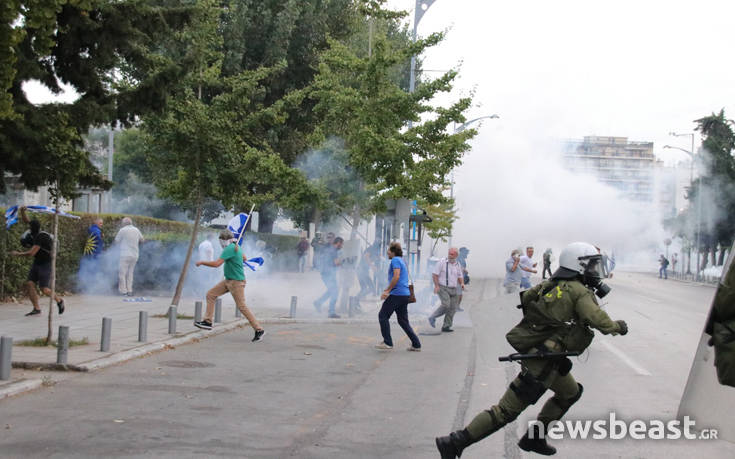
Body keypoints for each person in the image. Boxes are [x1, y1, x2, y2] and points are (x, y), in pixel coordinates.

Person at [435, 242, 628, 458]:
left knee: (570, 392)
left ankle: (535, 438)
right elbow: (598, 320)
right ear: (578, 266)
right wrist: (618, 327)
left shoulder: (552, 284)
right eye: (591, 266)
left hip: (549, 356)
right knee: (506, 411)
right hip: (543, 362)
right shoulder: (578, 291)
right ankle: (455, 442)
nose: (594, 271)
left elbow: (526, 301)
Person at [194, 230, 265, 342]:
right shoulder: (235, 247)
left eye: (221, 240)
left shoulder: (229, 248)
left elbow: (217, 264)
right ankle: (207, 322)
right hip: (229, 280)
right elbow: (245, 258)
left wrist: (202, 262)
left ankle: (259, 329)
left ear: (223, 240)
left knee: (242, 306)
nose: (220, 243)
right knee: (211, 295)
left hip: (236, 282)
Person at [10, 207, 64, 316]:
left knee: (44, 289)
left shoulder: (41, 237)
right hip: (37, 263)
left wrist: (17, 254)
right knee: (30, 283)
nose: (28, 229)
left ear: (33, 228)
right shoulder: (34, 232)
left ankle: (59, 301)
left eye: (30, 227)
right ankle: (36, 308)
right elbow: (27, 221)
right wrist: (22, 211)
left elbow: (31, 253)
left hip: (46, 264)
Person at [375, 242, 422, 351]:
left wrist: (387, 290)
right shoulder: (402, 260)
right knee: (403, 321)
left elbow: (396, 276)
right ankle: (416, 344)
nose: (387, 252)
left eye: (388, 250)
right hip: (404, 294)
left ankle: (387, 342)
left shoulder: (395, 260)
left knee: (383, 315)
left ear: (393, 251)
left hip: (397, 294)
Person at [427, 247, 465, 332]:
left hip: (453, 288)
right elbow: (435, 274)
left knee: (453, 308)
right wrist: (436, 286)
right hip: (443, 287)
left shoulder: (457, 264)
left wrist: (462, 283)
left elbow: (460, 276)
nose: (450, 256)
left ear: (456, 255)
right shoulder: (442, 262)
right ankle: (432, 317)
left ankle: (446, 326)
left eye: (452, 254)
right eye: (449, 254)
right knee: (446, 305)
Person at [313, 236, 344, 318]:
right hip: (328, 274)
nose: (342, 246)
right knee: (335, 292)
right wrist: (343, 262)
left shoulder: (330, 249)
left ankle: (318, 302)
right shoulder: (333, 251)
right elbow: (336, 262)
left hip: (326, 273)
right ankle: (331, 312)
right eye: (341, 244)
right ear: (338, 243)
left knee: (331, 291)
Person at [114, 217, 144, 296]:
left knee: (122, 273)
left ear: (124, 223)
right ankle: (130, 290)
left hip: (125, 254)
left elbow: (116, 241)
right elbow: (142, 240)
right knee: (130, 273)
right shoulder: (136, 230)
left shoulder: (122, 230)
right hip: (135, 254)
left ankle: (123, 291)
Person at [457, 247, 470, 311]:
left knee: (459, 294)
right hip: (457, 279)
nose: (467, 254)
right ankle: (455, 307)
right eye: (466, 252)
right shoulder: (458, 258)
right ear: (462, 252)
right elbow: (458, 266)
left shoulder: (462, 258)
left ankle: (456, 306)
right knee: (459, 294)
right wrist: (464, 270)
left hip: (460, 279)